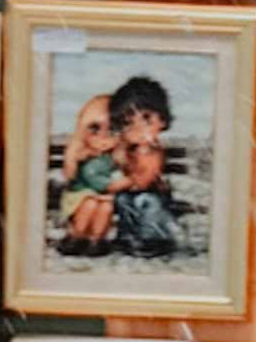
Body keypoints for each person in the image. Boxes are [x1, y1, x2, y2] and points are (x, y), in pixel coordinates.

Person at [102, 75, 184, 258]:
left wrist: (125, 181)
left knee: (145, 201)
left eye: (146, 119)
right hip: (131, 191)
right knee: (123, 200)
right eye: (128, 123)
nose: (138, 127)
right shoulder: (128, 149)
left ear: (162, 122)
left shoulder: (154, 151)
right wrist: (122, 147)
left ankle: (154, 239)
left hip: (155, 195)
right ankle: (128, 236)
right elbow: (117, 163)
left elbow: (145, 180)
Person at [58, 94, 119, 246]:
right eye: (95, 129)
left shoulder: (112, 156)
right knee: (90, 204)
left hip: (104, 196)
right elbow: (78, 177)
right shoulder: (82, 155)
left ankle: (95, 240)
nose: (103, 137)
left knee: (106, 207)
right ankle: (76, 236)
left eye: (111, 130)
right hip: (80, 196)